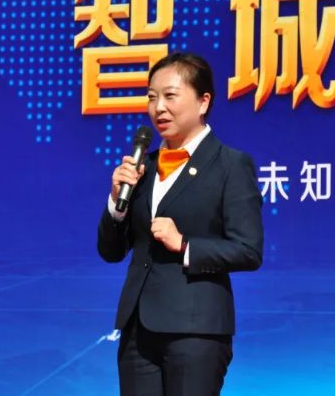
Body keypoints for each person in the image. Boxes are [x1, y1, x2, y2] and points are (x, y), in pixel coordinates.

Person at [97, 52, 264, 396]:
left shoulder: (230, 165)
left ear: (204, 102)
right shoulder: (143, 167)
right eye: (152, 97)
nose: (158, 107)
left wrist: (185, 245)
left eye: (170, 96)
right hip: (137, 333)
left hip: (195, 331)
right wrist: (116, 203)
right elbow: (111, 252)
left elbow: (248, 250)